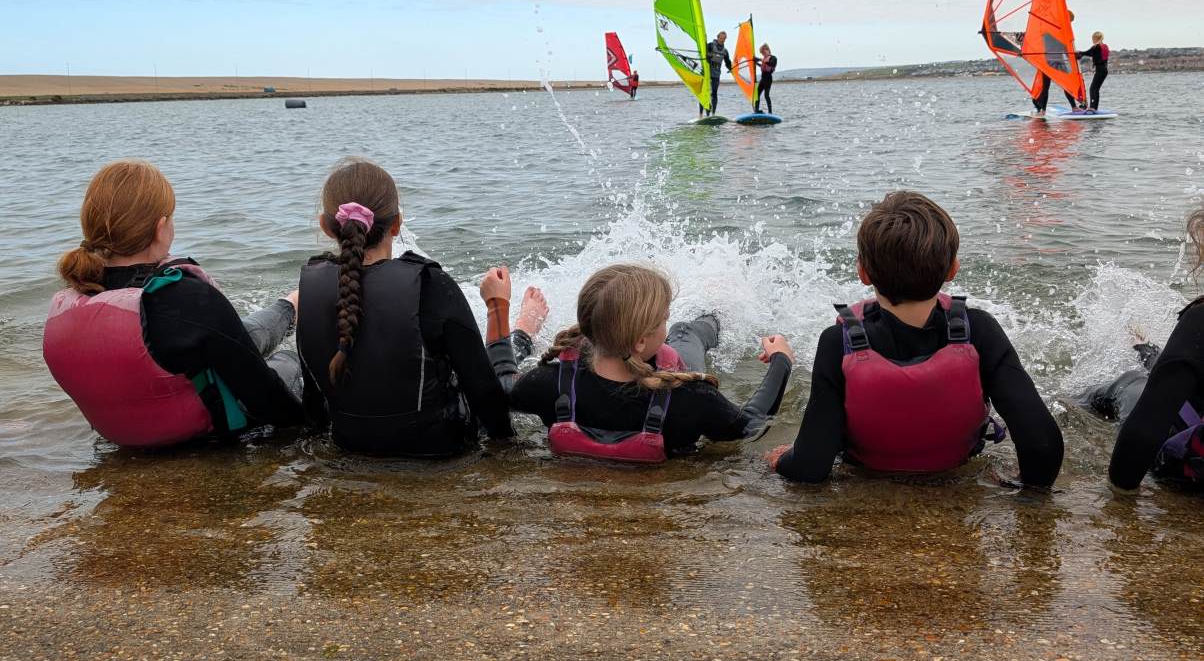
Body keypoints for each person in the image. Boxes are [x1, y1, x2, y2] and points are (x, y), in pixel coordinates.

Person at [768, 191, 1064, 485]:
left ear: (863, 272)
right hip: (956, 471)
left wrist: (781, 459)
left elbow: (811, 466)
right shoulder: (979, 332)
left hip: (870, 477)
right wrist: (1024, 492)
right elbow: (1043, 445)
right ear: (953, 269)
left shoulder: (837, 344)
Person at [44, 160, 304, 448]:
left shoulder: (76, 296)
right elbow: (268, 401)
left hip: (125, 432)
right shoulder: (184, 297)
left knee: (244, 334)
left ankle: (290, 304)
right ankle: (295, 305)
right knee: (289, 361)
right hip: (204, 429)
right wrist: (316, 427)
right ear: (161, 227)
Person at [296, 158, 514, 456]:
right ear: (397, 224)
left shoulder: (309, 289)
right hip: (437, 449)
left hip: (350, 444)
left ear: (326, 226)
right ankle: (508, 315)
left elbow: (314, 399)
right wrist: (509, 449)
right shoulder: (430, 284)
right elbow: (485, 392)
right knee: (503, 369)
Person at [480, 262, 793, 461]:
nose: (665, 324)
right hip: (665, 370)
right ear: (641, 341)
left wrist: (499, 308)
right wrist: (781, 360)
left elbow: (502, 381)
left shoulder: (547, 383)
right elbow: (750, 425)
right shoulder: (691, 399)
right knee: (685, 332)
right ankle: (716, 310)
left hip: (615, 346)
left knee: (677, 332)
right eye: (663, 319)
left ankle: (525, 328)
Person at [1083, 204, 1204, 489]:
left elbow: (1143, 433)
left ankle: (1070, 402)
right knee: (1171, 370)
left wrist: (1119, 494)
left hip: (1189, 467)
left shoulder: (1200, 321)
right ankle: (1147, 350)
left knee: (1129, 383)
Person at [1075, 31, 1110, 111]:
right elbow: (1092, 54)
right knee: (1096, 89)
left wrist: (1079, 53)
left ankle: (1092, 107)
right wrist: (1081, 54)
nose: (1092, 40)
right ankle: (1094, 107)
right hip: (1104, 70)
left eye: (1093, 38)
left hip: (1100, 70)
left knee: (1093, 89)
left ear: (1095, 38)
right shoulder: (1105, 46)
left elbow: (1088, 52)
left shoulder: (1096, 46)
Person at [705, 31, 732, 115]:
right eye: (721, 38)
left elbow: (728, 63)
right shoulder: (710, 45)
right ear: (718, 37)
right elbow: (702, 54)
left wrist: (732, 69)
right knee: (705, 92)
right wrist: (707, 56)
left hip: (716, 73)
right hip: (707, 71)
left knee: (714, 93)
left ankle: (713, 113)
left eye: (724, 38)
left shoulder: (725, 51)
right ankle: (703, 114)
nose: (722, 40)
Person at [755, 43, 778, 114]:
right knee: (757, 94)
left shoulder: (773, 58)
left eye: (764, 52)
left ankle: (770, 112)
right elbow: (763, 65)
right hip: (762, 79)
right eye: (762, 53)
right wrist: (755, 63)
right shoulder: (764, 59)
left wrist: (760, 59)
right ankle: (756, 110)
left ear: (768, 50)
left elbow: (771, 64)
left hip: (768, 79)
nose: (763, 54)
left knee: (766, 95)